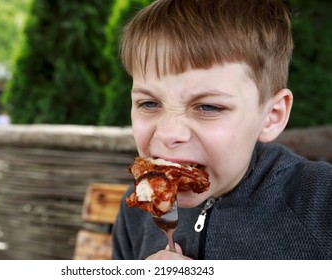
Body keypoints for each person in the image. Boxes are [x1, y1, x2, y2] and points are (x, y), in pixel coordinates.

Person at [112, 0, 332, 260]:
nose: (169, 134)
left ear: (272, 116)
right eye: (149, 103)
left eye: (207, 107)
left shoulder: (320, 202)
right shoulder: (136, 211)